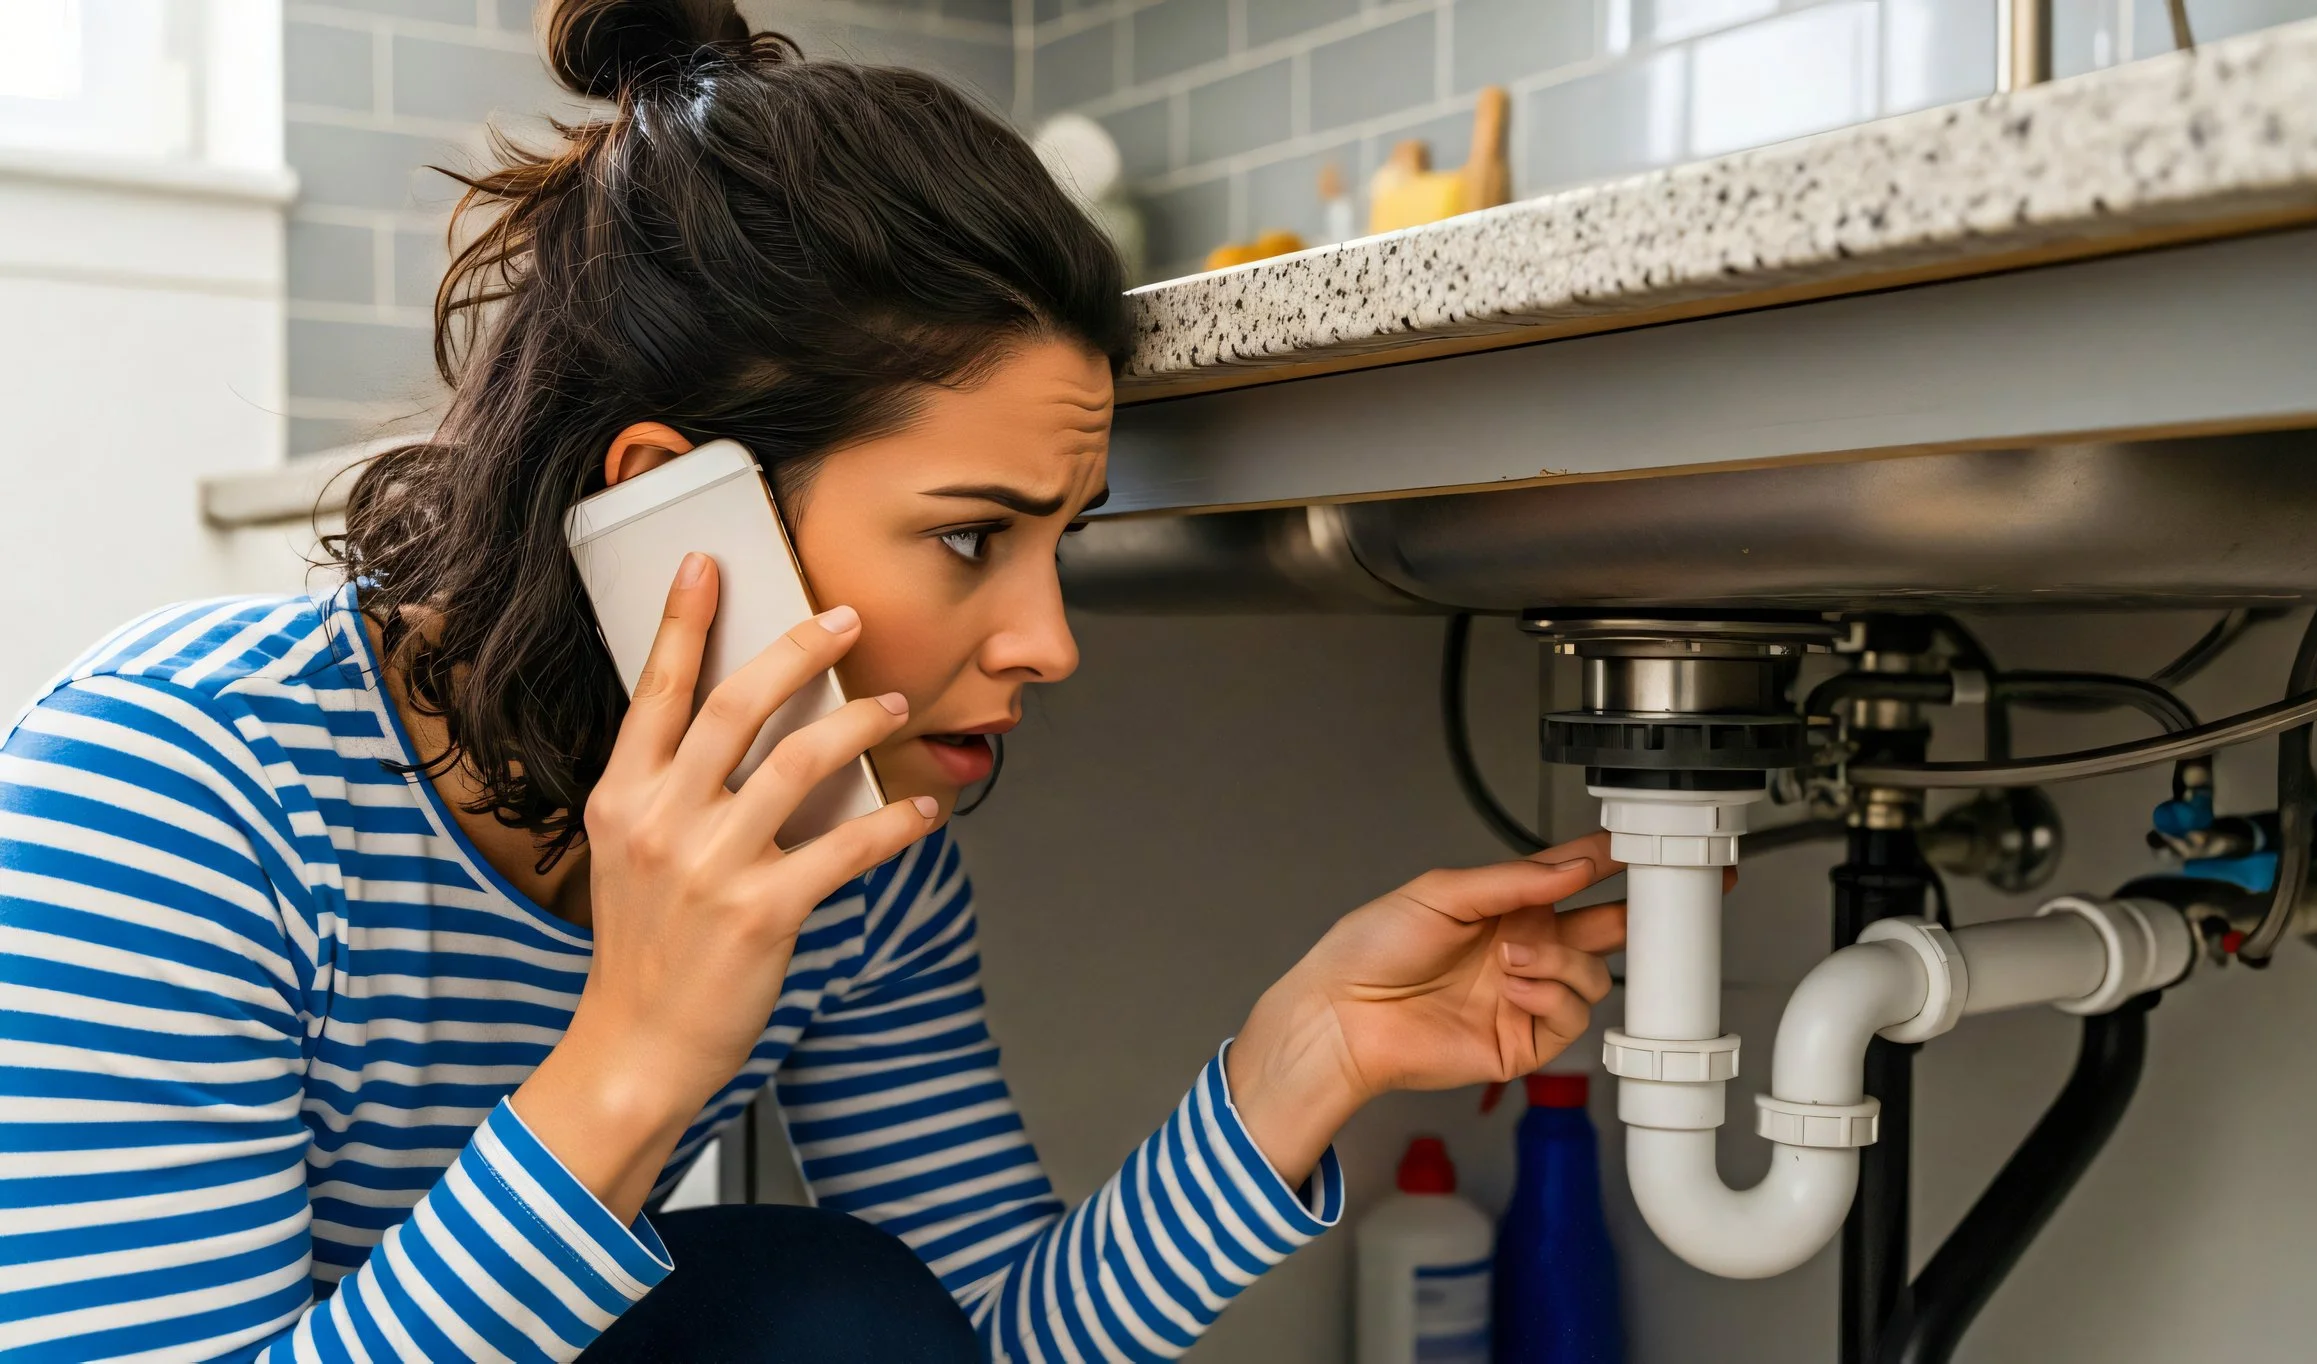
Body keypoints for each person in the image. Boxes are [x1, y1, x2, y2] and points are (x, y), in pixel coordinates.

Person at [0, 2, 1632, 1358]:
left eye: (1062, 538)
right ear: (669, 509)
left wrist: (1303, 1058)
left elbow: (991, 1336)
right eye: (971, 537)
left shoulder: (850, 863)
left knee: (838, 1318)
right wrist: (635, 1054)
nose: (1052, 643)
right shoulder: (172, 793)